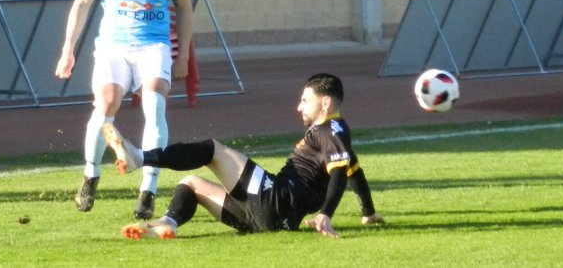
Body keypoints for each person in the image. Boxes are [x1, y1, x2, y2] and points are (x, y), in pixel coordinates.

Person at [105, 73, 384, 239]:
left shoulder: (329, 127)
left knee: (213, 150)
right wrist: (368, 213)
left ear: (325, 102)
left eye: (305, 100)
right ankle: (168, 222)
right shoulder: (335, 134)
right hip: (274, 220)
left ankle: (139, 157)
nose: (299, 107)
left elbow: (339, 172)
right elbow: (353, 172)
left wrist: (325, 214)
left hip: (275, 198)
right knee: (190, 184)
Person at [57, 0, 193, 221]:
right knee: (106, 105)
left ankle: (149, 188)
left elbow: (185, 8)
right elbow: (82, 3)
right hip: (113, 47)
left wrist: (183, 53)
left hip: (153, 46)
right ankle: (91, 176)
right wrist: (68, 49)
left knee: (154, 103)